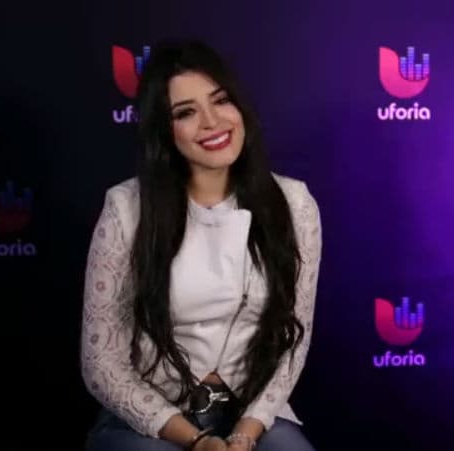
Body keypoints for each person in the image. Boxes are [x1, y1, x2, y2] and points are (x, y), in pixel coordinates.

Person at [81, 40, 321, 451]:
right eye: (186, 112)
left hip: (252, 415)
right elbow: (100, 362)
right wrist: (195, 441)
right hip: (152, 419)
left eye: (221, 100)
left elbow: (292, 341)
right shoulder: (127, 208)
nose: (212, 122)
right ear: (165, 130)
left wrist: (245, 433)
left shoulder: (294, 203)